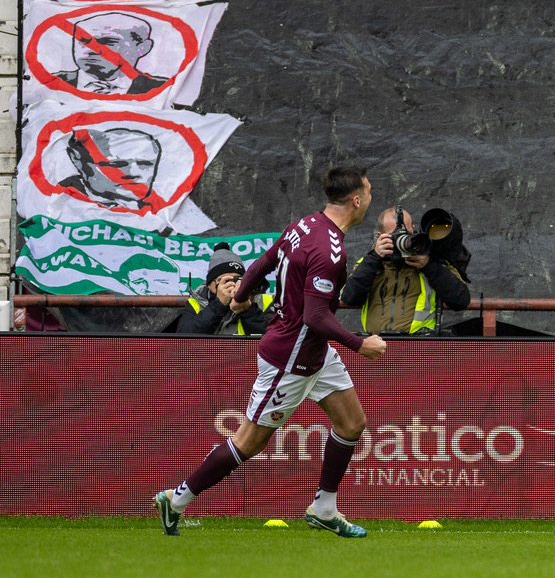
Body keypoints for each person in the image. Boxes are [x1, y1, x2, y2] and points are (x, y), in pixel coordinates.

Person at [153, 166, 387, 538]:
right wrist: (361, 344)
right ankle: (176, 498)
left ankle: (324, 508)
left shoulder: (305, 224)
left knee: (352, 423)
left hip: (312, 350)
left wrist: (242, 296)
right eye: (370, 193)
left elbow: (264, 261)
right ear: (356, 200)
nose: (370, 200)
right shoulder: (330, 251)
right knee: (250, 441)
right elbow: (315, 315)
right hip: (291, 357)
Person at [341, 206, 471, 334]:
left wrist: (428, 265)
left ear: (413, 230)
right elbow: (350, 298)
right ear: (380, 236)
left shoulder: (430, 261)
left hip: (419, 343)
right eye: (395, 236)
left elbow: (460, 301)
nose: (401, 240)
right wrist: (375, 258)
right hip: (376, 344)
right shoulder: (370, 263)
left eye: (406, 233)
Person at [54, 12, 168, 95]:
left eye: (108, 42)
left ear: (142, 48)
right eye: (83, 41)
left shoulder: (165, 89)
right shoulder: (50, 84)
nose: (91, 50)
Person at [177, 244, 274, 335]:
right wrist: (218, 305)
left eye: (237, 279)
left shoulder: (264, 301)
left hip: (249, 353)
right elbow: (183, 341)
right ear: (209, 285)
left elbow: (275, 340)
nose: (231, 285)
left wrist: (248, 311)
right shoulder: (196, 303)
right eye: (224, 280)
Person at [58, 127, 160, 208]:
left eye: (144, 164)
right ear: (78, 161)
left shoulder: (155, 211)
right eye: (118, 164)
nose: (134, 172)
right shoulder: (61, 197)